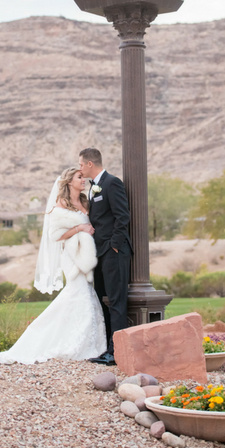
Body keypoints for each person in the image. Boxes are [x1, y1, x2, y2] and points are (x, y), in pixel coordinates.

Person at [0, 167, 105, 364]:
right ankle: (73, 344)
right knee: (80, 293)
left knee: (85, 292)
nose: (83, 180)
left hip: (85, 255)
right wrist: (80, 228)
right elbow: (55, 236)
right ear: (69, 182)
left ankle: (86, 341)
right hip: (71, 257)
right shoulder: (61, 204)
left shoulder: (86, 201)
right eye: (79, 177)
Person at [79, 148, 131, 366]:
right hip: (98, 254)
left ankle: (116, 352)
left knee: (117, 301)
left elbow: (123, 216)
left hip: (113, 253)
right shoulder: (93, 189)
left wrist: (115, 246)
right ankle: (107, 348)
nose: (80, 169)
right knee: (103, 300)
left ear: (90, 164)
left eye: (81, 165)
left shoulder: (112, 183)